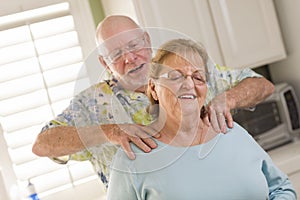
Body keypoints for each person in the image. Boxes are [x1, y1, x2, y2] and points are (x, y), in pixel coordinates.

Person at [32, 15, 275, 189]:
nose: (129, 58)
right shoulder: (91, 104)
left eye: (134, 45)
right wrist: (109, 132)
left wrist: (226, 99)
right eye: (116, 55)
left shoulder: (189, 70)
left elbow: (262, 85)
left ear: (146, 40)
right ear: (105, 64)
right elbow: (42, 144)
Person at [107, 38, 297, 200]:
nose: (189, 84)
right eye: (175, 76)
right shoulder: (133, 158)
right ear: (154, 88)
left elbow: (281, 189)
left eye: (198, 77)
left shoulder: (231, 131)